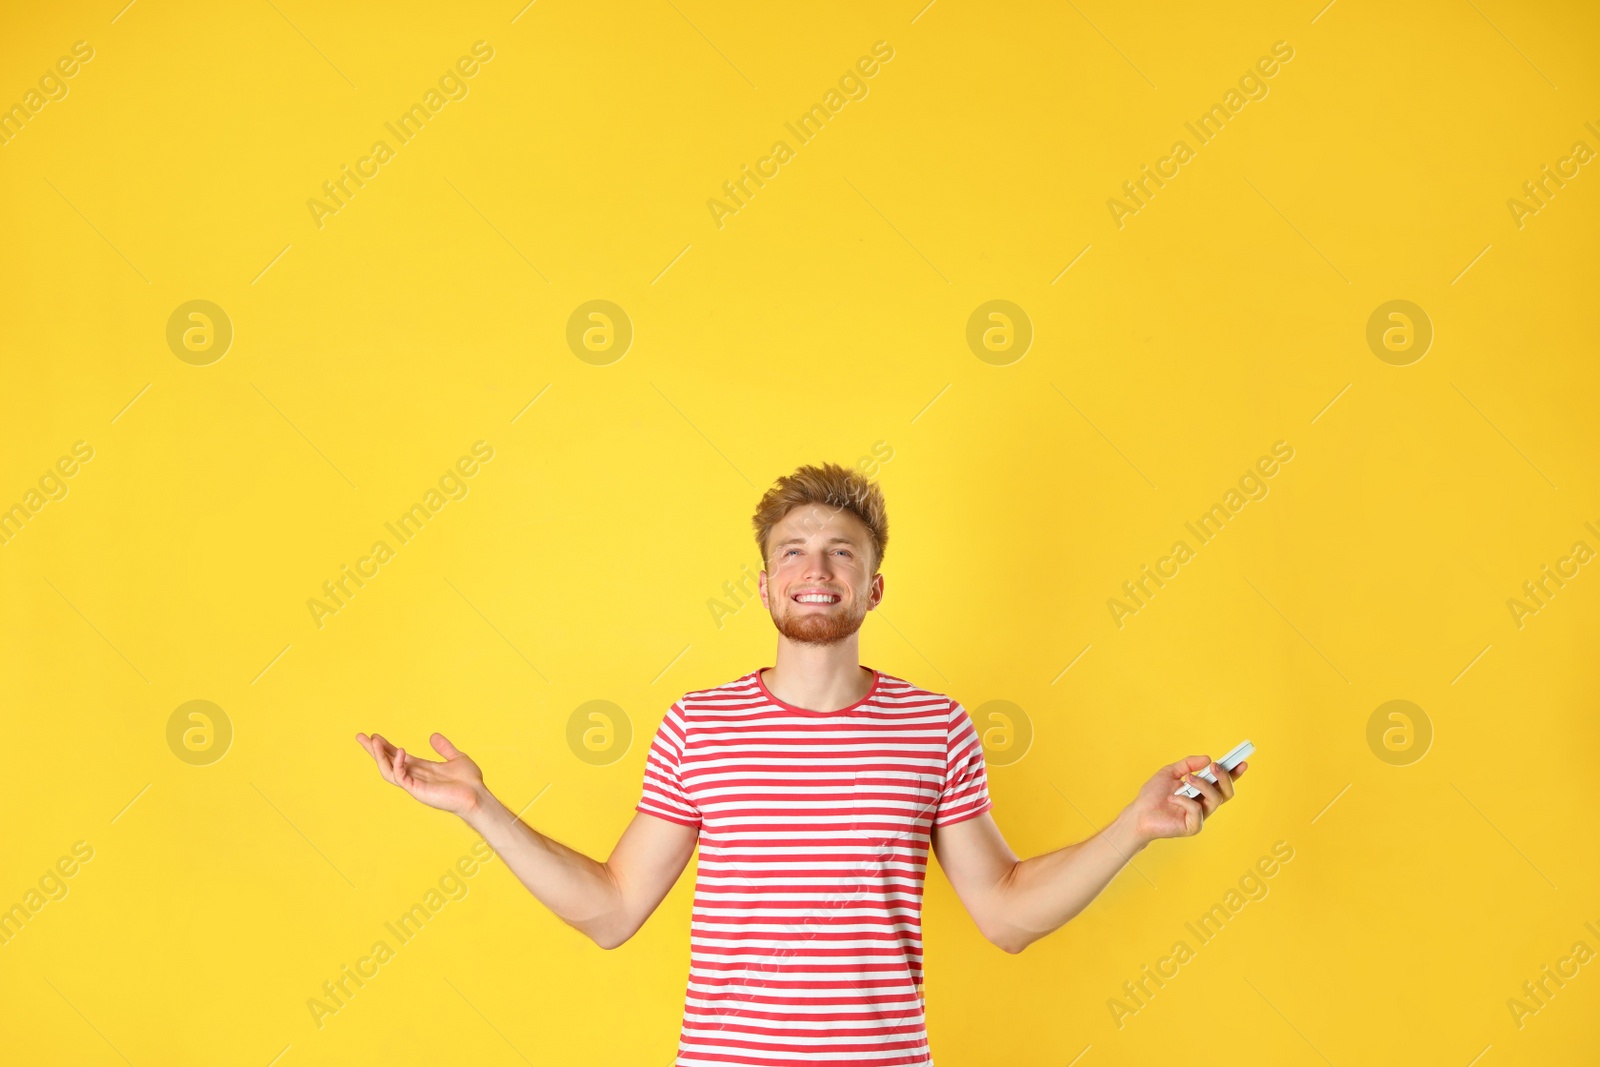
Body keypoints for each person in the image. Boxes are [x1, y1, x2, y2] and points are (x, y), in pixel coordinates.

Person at [356, 461, 1246, 1065]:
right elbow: (613, 908)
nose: (815, 569)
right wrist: (484, 809)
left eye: (840, 553)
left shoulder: (934, 728)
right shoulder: (697, 727)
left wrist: (1135, 826)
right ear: (765, 581)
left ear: (872, 585)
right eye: (794, 551)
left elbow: (1007, 914)